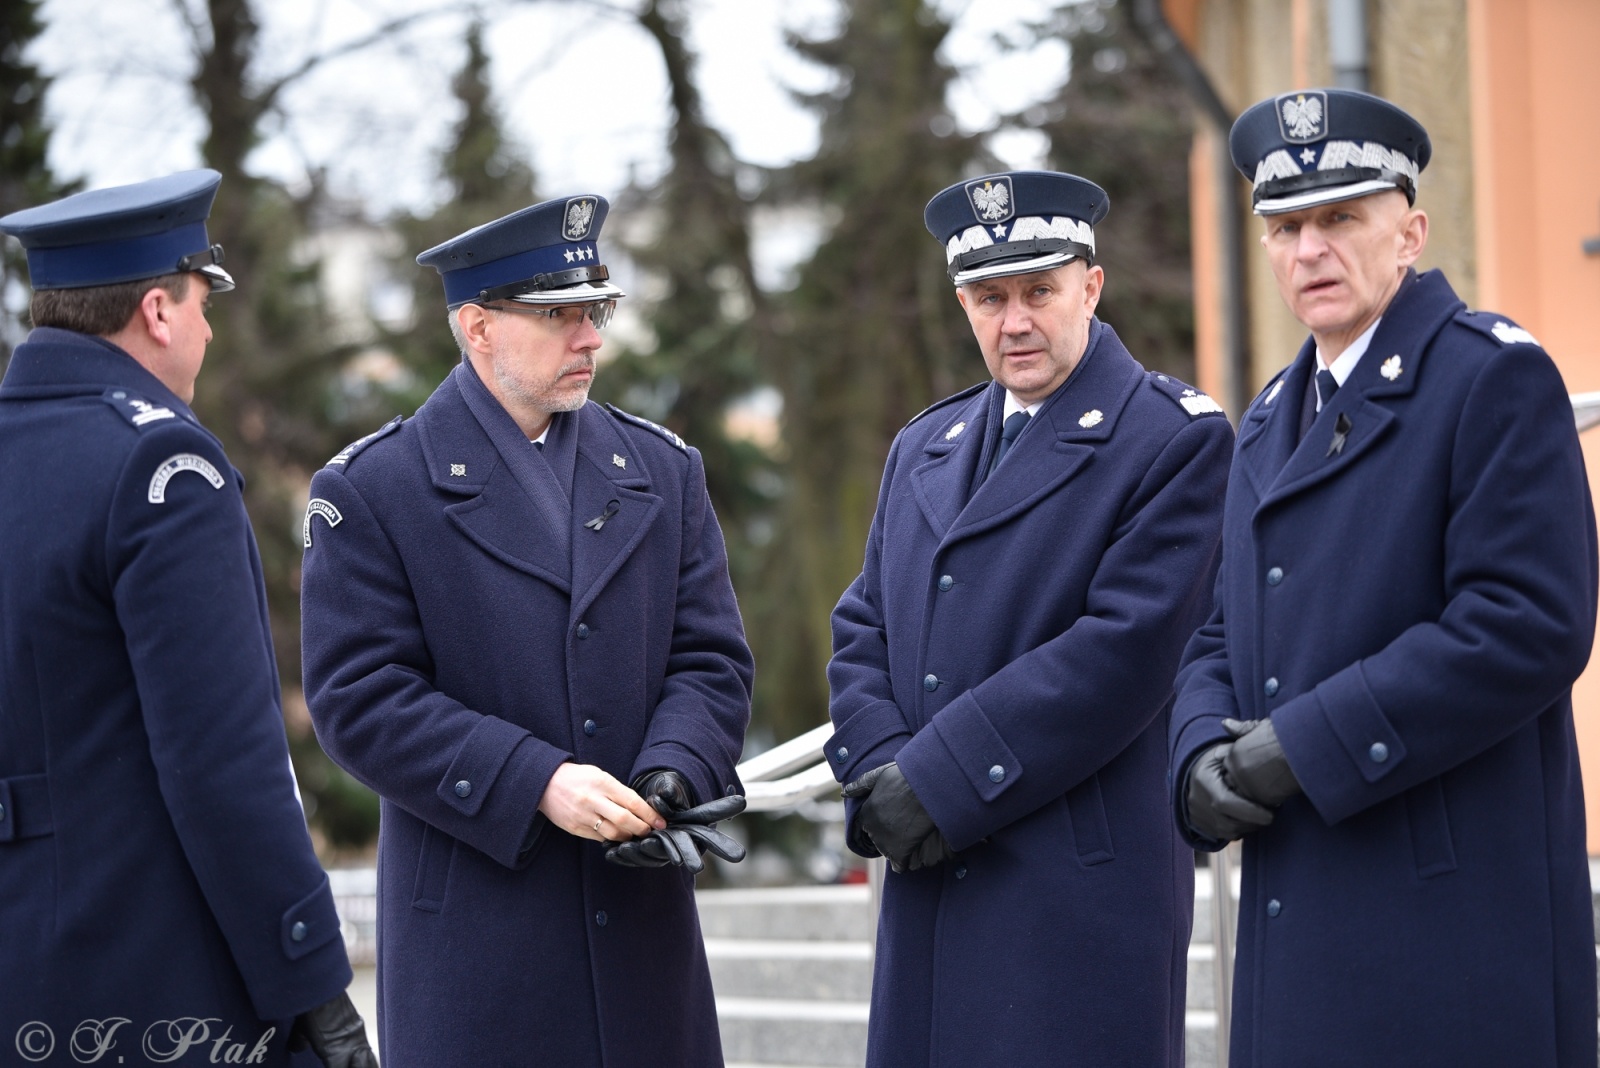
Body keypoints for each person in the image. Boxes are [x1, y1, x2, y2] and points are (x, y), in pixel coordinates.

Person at [1170, 88, 1598, 1066]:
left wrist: (1299, 747)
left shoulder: (1488, 377)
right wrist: (1195, 752)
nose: (1309, 249)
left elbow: (1526, 623)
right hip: (1297, 910)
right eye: (1284, 227)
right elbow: (1216, 631)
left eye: (1339, 219)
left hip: (1442, 918)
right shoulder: (1273, 415)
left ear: (1407, 234)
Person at [299, 194, 754, 1067]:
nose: (591, 339)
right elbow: (361, 701)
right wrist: (536, 780)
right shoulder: (376, 488)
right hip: (484, 943)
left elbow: (710, 658)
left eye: (598, 311)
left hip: (642, 937)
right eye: (559, 317)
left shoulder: (662, 468)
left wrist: (672, 769)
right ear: (476, 328)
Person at [826, 169, 1234, 1065]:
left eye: (1038, 291)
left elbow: (1123, 654)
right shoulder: (923, 445)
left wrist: (930, 779)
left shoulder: (1174, 438)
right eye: (987, 295)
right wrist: (876, 767)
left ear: (1091, 286)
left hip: (1070, 885)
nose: (1013, 321)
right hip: (929, 869)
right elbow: (863, 625)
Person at [0, 172, 374, 1066]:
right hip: (150, 987)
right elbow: (225, 768)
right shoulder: (162, 465)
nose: (208, 328)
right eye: (203, 300)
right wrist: (316, 987)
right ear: (158, 313)